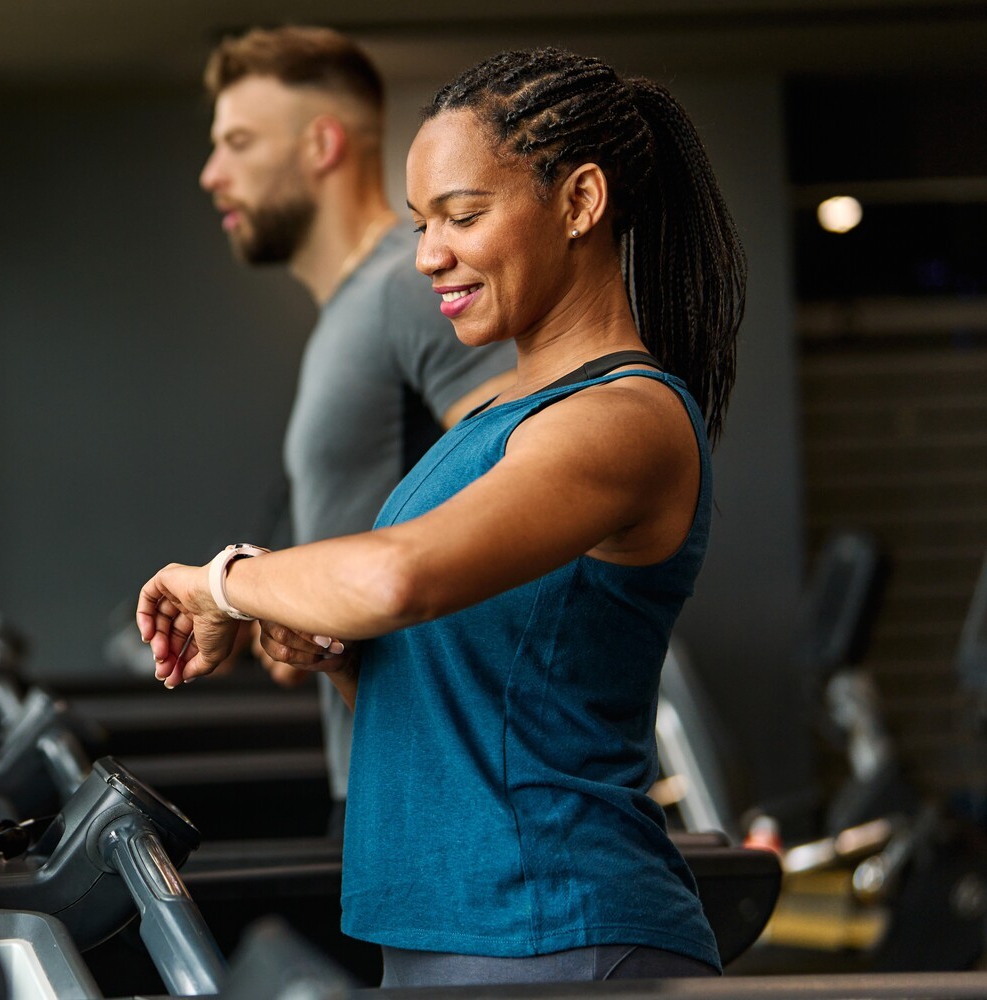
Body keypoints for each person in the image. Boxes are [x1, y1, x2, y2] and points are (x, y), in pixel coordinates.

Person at [142, 45, 746, 987]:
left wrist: (220, 582)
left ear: (581, 202)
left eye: (463, 216)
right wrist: (335, 652)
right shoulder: (500, 420)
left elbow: (395, 577)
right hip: (442, 930)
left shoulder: (626, 419)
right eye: (423, 221)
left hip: (556, 925)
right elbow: (444, 681)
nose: (428, 254)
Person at [196, 26, 513, 819]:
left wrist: (246, 588)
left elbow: (515, 483)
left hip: (449, 774)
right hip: (383, 758)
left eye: (237, 143)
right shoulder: (354, 306)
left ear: (321, 144)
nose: (211, 174)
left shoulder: (407, 289)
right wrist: (307, 617)